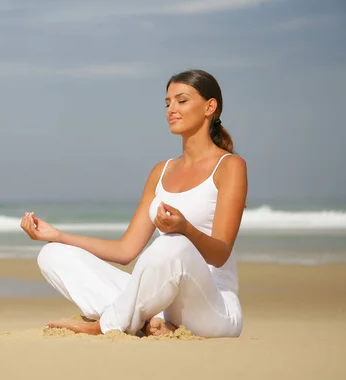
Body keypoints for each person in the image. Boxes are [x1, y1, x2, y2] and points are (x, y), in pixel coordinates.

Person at [20, 69, 247, 338]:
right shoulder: (161, 171)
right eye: (167, 103)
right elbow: (126, 251)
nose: (171, 109)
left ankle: (108, 324)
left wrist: (184, 229)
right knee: (53, 254)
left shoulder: (230, 166)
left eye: (181, 100)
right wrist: (56, 235)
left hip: (213, 308)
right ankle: (145, 322)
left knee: (170, 243)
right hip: (162, 304)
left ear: (210, 107)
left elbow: (220, 254)